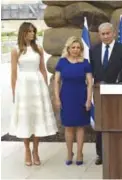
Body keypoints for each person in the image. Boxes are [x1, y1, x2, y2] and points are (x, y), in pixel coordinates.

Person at [9, 22, 58, 166]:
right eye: (29, 31)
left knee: (37, 118)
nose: (32, 34)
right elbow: (13, 73)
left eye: (33, 32)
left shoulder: (39, 49)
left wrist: (44, 89)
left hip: (37, 85)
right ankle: (26, 149)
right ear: (23, 32)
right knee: (26, 118)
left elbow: (43, 69)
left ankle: (35, 150)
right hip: (23, 86)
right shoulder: (16, 50)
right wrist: (14, 93)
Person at [90, 22, 122, 165]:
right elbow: (92, 70)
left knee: (118, 122)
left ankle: (118, 151)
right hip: (99, 93)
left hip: (118, 92)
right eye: (102, 34)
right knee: (101, 123)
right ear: (99, 35)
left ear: (114, 33)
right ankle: (101, 154)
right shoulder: (94, 49)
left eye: (108, 33)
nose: (105, 36)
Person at [54, 36, 93, 166]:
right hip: (66, 97)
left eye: (78, 47)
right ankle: (69, 153)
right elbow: (57, 81)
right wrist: (57, 98)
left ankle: (80, 153)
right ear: (68, 48)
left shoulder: (85, 62)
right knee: (69, 126)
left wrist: (88, 100)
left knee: (80, 126)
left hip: (81, 97)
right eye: (73, 47)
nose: (76, 50)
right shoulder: (62, 62)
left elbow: (89, 83)